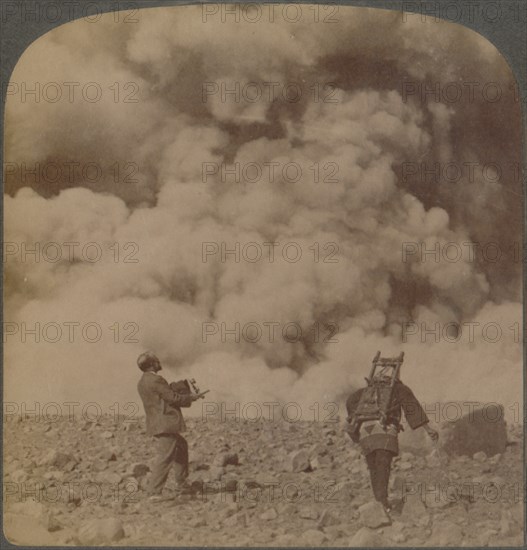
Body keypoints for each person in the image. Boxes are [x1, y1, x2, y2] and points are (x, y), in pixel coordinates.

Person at [345, 370, 438, 514]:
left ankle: (379, 501)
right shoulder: (399, 389)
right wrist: (428, 429)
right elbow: (412, 408)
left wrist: (355, 431)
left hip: (365, 432)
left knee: (374, 467)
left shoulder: (364, 392)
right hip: (385, 430)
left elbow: (350, 402)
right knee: (383, 465)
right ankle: (382, 502)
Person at [137, 351, 205, 500]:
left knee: (181, 446)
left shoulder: (142, 382)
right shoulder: (156, 380)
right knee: (165, 457)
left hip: (157, 423)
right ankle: (154, 492)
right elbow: (172, 398)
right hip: (166, 423)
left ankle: (182, 484)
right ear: (150, 365)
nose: (159, 362)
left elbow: (162, 397)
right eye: (156, 361)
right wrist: (191, 397)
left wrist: (179, 387)